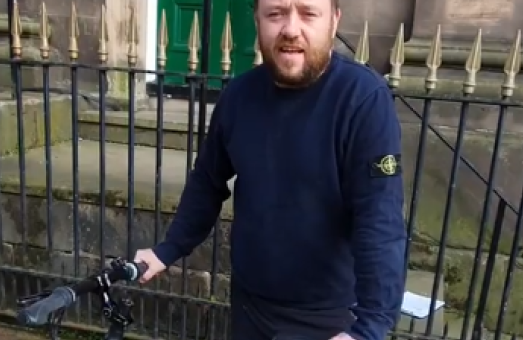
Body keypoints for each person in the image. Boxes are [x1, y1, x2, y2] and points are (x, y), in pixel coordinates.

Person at [134, 0, 407, 339]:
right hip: (250, 306)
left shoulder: (363, 99)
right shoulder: (238, 95)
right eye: (276, 13)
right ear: (257, 20)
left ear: (334, 21)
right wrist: (168, 250)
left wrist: (368, 328)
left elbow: (379, 219)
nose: (291, 29)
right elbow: (207, 181)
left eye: (308, 13)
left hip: (326, 318)